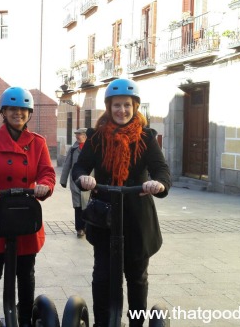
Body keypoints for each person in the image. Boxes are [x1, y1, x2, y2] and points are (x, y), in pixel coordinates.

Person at [72, 78, 171, 327]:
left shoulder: (146, 138)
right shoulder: (96, 138)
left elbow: (162, 171)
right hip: (105, 217)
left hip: (137, 220)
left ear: (135, 106)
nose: (122, 110)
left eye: (127, 105)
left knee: (137, 277)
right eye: (117, 105)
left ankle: (136, 323)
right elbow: (81, 166)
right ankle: (103, 323)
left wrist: (157, 184)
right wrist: (83, 177)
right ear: (109, 107)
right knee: (103, 276)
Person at [0, 86, 56, 327]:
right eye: (12, 109)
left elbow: (47, 172)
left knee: (26, 275)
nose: (18, 113)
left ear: (29, 113)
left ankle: (25, 319)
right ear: (3, 112)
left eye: (23, 110)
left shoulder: (38, 142)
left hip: (26, 218)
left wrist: (45, 186)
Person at [60, 127, 90, 238]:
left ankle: (87, 227)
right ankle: (80, 228)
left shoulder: (92, 148)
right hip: (75, 182)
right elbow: (67, 164)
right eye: (76, 135)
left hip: (89, 183)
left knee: (88, 206)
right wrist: (63, 180)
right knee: (78, 206)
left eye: (80, 135)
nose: (77, 137)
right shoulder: (73, 149)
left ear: (85, 136)